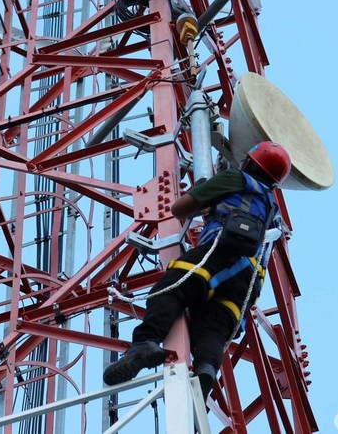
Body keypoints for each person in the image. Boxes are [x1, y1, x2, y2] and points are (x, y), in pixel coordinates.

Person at [102, 141, 292, 398]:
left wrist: (206, 202)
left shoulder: (237, 178)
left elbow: (179, 209)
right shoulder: (273, 210)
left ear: (249, 162)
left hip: (220, 254)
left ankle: (144, 344)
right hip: (246, 284)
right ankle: (205, 374)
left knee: (171, 289)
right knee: (211, 327)